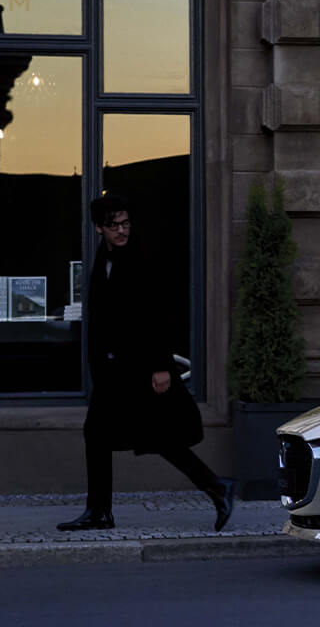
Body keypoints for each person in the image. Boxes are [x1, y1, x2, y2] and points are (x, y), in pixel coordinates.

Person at [58, 193, 235, 532]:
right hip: (115, 370)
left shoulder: (141, 256)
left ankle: (216, 487)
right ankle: (101, 512)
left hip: (140, 367)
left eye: (126, 224)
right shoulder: (103, 257)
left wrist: (161, 366)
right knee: (105, 434)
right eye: (114, 226)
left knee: (157, 438)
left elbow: (159, 314)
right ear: (99, 228)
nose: (122, 231)